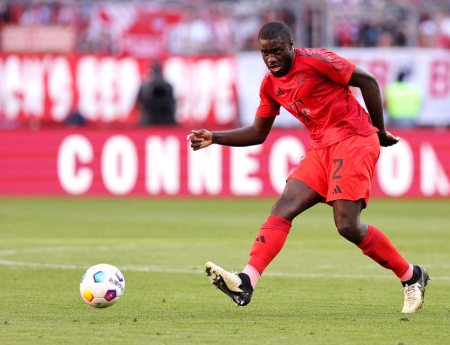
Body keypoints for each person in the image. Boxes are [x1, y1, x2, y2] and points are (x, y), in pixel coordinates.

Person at [187, 21, 429, 314]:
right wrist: (215, 137)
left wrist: (379, 130)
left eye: (276, 51)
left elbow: (368, 82)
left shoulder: (317, 61)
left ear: (290, 46)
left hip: (353, 139)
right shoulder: (270, 85)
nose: (271, 58)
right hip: (320, 147)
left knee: (347, 225)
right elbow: (258, 132)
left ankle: (411, 276)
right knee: (284, 206)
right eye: (265, 53)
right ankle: (246, 280)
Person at [137, 61, 177, 126]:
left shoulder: (146, 85)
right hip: (162, 120)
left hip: (153, 120)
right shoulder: (168, 85)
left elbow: (140, 104)